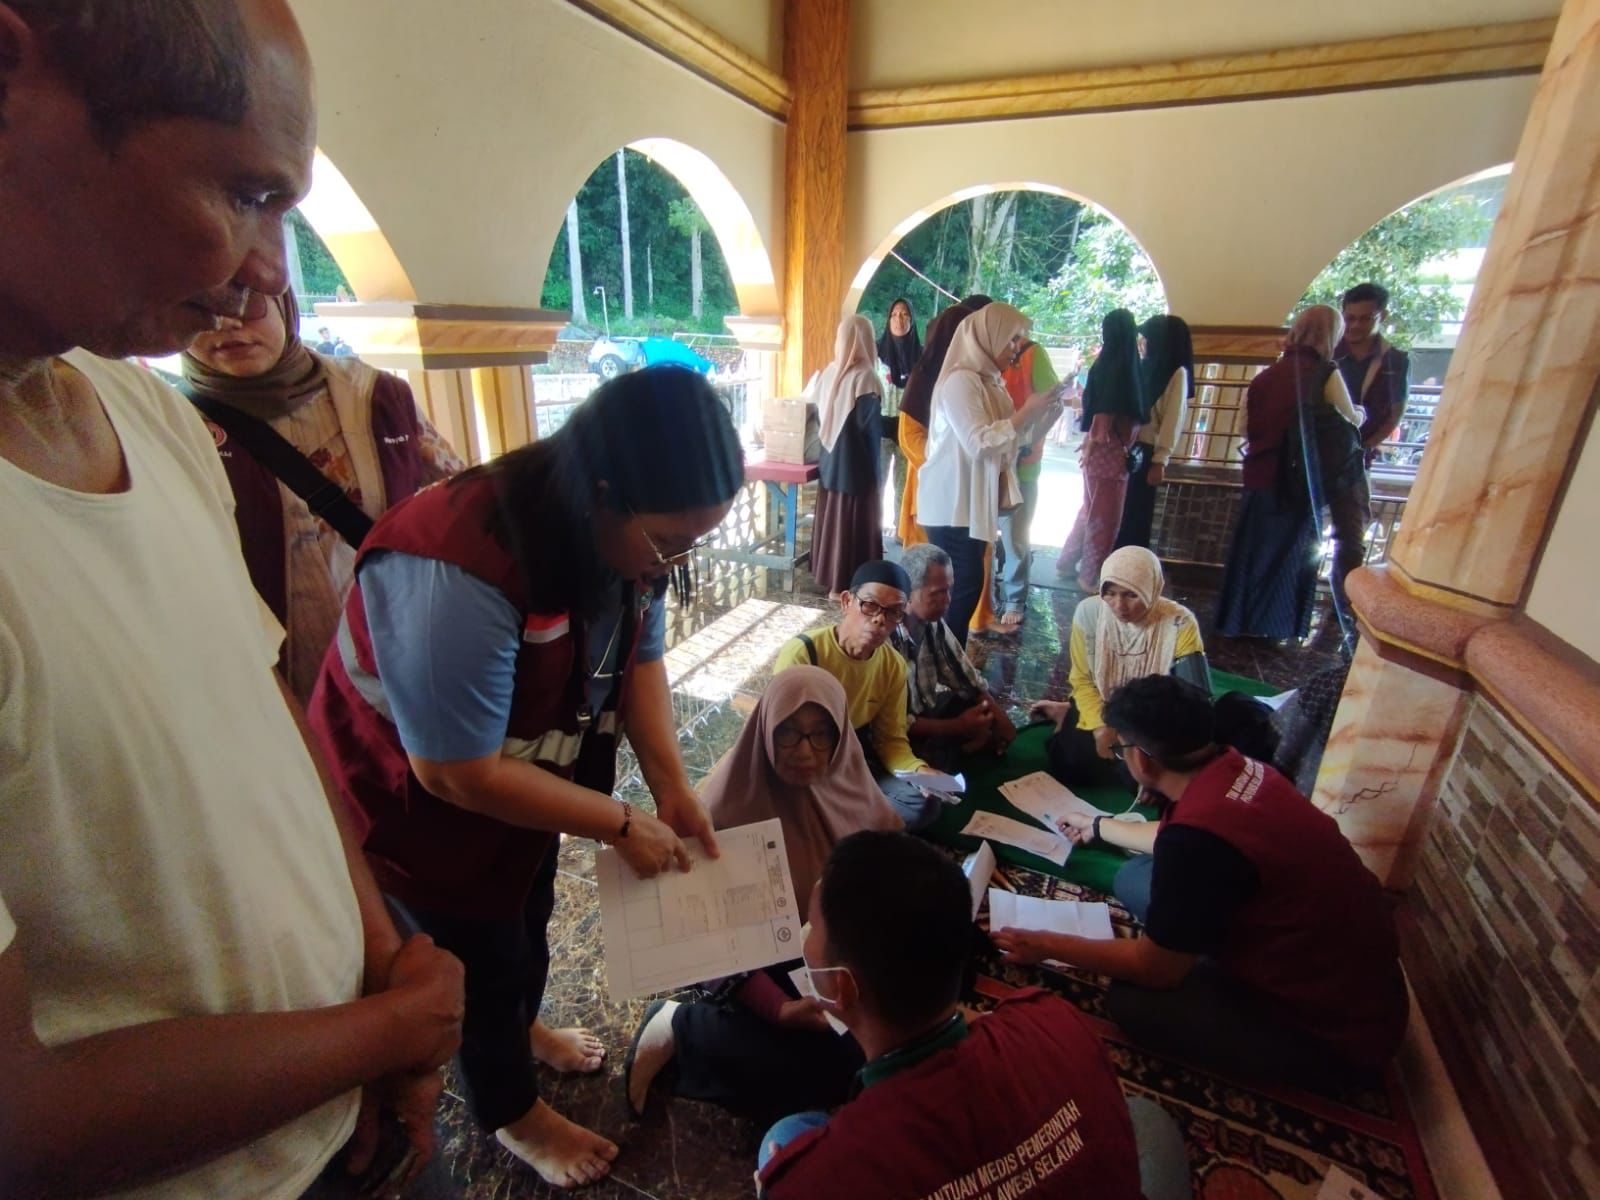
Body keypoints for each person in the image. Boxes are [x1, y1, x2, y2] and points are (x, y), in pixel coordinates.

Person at [0, 3, 467, 1198]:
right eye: (244, 194)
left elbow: (265, 711)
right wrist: (386, 1031)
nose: (265, 273)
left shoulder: (139, 409)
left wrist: (382, 958)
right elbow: (19, 1122)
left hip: (346, 1108)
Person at [308, 366, 743, 1189]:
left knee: (525, 915)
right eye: (668, 543)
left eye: (694, 543)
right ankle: (511, 1112)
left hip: (524, 782)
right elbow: (455, 771)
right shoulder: (457, 562)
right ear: (603, 493)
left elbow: (640, 652)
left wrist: (672, 789)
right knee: (474, 956)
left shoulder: (615, 536)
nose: (672, 564)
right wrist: (619, 822)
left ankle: (520, 1026)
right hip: (420, 808)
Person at [997, 676, 1408, 1092]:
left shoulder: (1197, 844)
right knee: (1135, 876)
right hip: (1363, 985)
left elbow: (1155, 969)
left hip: (1331, 1035)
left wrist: (1045, 945)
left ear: (1142, 760)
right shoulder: (1239, 767)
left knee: (1133, 1001)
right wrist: (1098, 826)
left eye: (1120, 749)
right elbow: (1181, 835)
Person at [757, 832, 1187, 1200]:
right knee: (1146, 1117)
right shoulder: (1055, 1020)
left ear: (842, 987)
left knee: (786, 1135)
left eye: (811, 926)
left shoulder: (819, 1181)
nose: (806, 939)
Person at [622, 668, 903, 1123]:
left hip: (832, 957)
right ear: (765, 730)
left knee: (873, 1046)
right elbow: (704, 941)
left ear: (842, 737)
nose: (804, 752)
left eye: (820, 735)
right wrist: (778, 1008)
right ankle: (681, 1024)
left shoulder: (857, 793)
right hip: (755, 961)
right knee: (807, 1068)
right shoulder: (723, 812)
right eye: (787, 733)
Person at [181, 289, 465, 702]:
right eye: (200, 307)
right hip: (276, 667)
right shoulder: (171, 424)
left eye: (246, 305)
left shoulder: (372, 395)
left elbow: (459, 497)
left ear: (284, 306)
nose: (226, 323)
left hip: (404, 640)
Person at [918, 303, 1063, 645]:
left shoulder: (990, 382)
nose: (1016, 347)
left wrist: (1044, 418)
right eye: (1011, 339)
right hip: (951, 502)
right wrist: (1027, 411)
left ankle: (946, 658)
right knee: (961, 587)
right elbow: (979, 442)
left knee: (965, 585)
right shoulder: (960, 381)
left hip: (970, 500)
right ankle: (942, 659)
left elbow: (1011, 441)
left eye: (1018, 339)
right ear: (988, 337)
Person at [1215, 306, 1363, 639]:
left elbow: (1243, 428)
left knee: (1252, 553)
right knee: (1286, 557)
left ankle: (1237, 622)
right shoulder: (1324, 374)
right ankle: (1270, 626)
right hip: (1297, 482)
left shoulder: (1264, 377)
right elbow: (1349, 419)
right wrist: (1361, 415)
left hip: (1258, 476)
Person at [1031, 546, 1209, 789]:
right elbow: (1082, 679)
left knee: (1148, 781)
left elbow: (1190, 694)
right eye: (1110, 593)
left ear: (1152, 589)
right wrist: (1100, 725)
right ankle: (1067, 713)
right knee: (1071, 766)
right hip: (1102, 701)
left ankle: (1071, 714)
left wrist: (1138, 737)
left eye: (1131, 595)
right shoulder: (1089, 613)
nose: (1119, 606)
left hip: (1154, 712)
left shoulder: (1179, 622)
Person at [774, 561, 936, 827]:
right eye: (870, 605)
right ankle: (846, 819)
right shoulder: (804, 654)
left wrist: (919, 771)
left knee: (921, 804)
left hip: (851, 760)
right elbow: (782, 740)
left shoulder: (893, 666)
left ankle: (838, 820)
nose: (880, 619)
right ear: (847, 601)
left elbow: (890, 741)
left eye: (894, 612)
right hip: (805, 761)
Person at [892, 544, 1017, 763]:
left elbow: (965, 676)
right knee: (929, 755)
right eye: (938, 593)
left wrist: (1000, 719)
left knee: (978, 705)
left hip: (923, 714)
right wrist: (957, 727)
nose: (948, 600)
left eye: (949, 590)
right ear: (907, 593)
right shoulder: (885, 637)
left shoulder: (932, 623)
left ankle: (958, 750)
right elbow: (892, 723)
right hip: (894, 732)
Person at [1057, 309, 1147, 591]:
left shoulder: (1103, 364)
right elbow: (1104, 415)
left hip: (1098, 454)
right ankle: (1090, 577)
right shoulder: (1124, 368)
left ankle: (1066, 563)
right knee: (1105, 519)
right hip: (1111, 456)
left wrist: (1089, 444)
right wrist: (1093, 441)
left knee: (1089, 511)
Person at [895, 294, 990, 547]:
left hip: (968, 488)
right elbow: (908, 437)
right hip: (935, 486)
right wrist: (949, 465)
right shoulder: (924, 377)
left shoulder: (976, 374)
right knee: (934, 562)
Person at [997, 336, 1075, 628]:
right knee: (984, 538)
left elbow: (1054, 404)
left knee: (1015, 536)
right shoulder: (982, 356)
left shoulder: (1031, 354)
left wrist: (1029, 439)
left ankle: (1014, 599)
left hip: (1021, 462)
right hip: (990, 462)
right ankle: (988, 596)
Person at [811, 315, 884, 597]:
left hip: (831, 462)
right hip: (857, 468)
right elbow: (870, 429)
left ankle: (833, 582)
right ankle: (848, 584)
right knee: (853, 524)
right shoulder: (866, 377)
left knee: (834, 521)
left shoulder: (830, 372)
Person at [1116, 315, 1194, 551]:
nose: (1143, 343)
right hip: (1129, 449)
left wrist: (1161, 460)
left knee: (1137, 516)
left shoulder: (1176, 374)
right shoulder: (1143, 367)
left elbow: (1172, 419)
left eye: (1148, 338)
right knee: (1122, 513)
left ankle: (1131, 564)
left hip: (1148, 454)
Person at [1335, 282, 1411, 469]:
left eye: (1365, 319)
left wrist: (1366, 447)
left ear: (1382, 316)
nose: (1355, 326)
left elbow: (1396, 412)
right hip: (1318, 452)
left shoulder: (1395, 361)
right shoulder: (1327, 352)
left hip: (1360, 456)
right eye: (1350, 318)